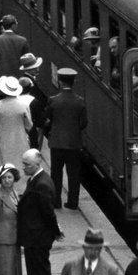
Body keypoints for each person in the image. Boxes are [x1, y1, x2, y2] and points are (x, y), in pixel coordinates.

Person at [18, 149, 63, 275]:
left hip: (38, 239)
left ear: (37, 164)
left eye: (26, 165)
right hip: (34, 237)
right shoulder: (37, 179)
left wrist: (56, 231)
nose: (23, 167)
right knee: (35, 274)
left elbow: (48, 213)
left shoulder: (42, 184)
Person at [45, 68, 88, 210]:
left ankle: (56, 202)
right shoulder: (80, 102)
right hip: (74, 143)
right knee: (74, 175)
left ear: (60, 81)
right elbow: (84, 123)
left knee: (56, 174)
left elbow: (49, 118)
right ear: (74, 81)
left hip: (56, 142)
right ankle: (73, 203)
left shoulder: (53, 100)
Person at [0, 76, 33, 166]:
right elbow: (29, 125)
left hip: (4, 141)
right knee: (20, 165)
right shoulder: (23, 105)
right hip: (21, 140)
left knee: (6, 165)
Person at [0, 15, 30, 81]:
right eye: (16, 24)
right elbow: (27, 59)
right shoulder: (23, 40)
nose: (17, 26)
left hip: (1, 77)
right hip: (18, 76)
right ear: (13, 26)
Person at [19, 54, 47, 150]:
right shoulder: (29, 83)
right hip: (34, 122)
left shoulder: (27, 80)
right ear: (28, 70)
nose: (37, 69)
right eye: (34, 68)